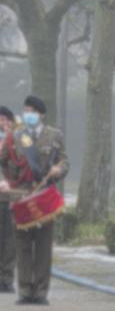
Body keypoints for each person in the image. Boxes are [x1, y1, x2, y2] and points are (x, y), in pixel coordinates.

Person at [0, 96, 69, 305]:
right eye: (26, 110)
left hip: (44, 198)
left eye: (32, 110)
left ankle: (40, 292)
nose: (28, 114)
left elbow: (64, 160)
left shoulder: (54, 136)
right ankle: (24, 291)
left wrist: (59, 170)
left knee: (43, 245)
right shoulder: (16, 136)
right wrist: (3, 181)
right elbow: (1, 163)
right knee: (21, 246)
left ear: (41, 114)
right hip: (20, 198)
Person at [0, 106, 16, 293]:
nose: (2, 123)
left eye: (4, 119)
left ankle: (7, 279)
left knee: (10, 241)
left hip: (12, 196)